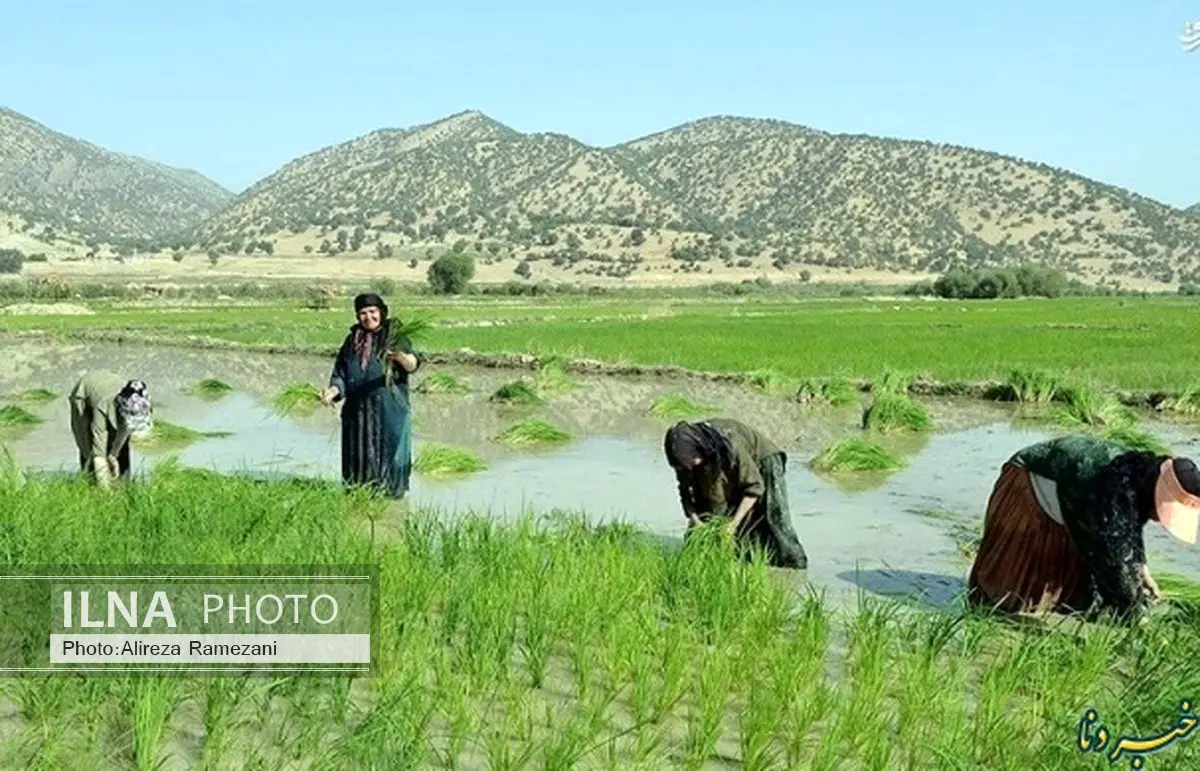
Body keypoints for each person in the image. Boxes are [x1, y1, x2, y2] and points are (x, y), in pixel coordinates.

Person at [967, 434, 1200, 621]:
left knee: (1073, 597)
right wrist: (1133, 612)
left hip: (1074, 494)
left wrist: (1141, 569)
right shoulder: (1110, 489)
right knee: (1012, 599)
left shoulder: (1141, 477)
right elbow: (1112, 558)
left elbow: (1131, 530)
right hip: (1030, 479)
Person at [664, 418, 808, 569]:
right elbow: (686, 492)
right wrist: (695, 520)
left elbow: (754, 487)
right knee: (713, 514)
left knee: (773, 517)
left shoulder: (731, 444)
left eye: (692, 461)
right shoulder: (683, 458)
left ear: (700, 449)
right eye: (685, 464)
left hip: (763, 460)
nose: (689, 466)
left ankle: (794, 566)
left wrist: (733, 524)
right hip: (719, 461)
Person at [320, 292, 422, 500]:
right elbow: (341, 373)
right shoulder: (352, 341)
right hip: (357, 411)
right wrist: (333, 391)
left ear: (382, 312)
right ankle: (359, 496)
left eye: (373, 312)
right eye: (363, 313)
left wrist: (400, 357)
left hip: (389, 408)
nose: (368, 317)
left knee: (388, 452)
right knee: (358, 454)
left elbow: (412, 365)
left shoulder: (396, 336)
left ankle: (391, 500)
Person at [68, 372, 153, 487]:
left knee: (120, 452)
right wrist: (106, 494)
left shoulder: (142, 403)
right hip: (83, 394)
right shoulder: (102, 409)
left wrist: (114, 453)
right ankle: (92, 485)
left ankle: (123, 485)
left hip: (110, 385)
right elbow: (98, 456)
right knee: (89, 450)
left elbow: (126, 428)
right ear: (122, 410)